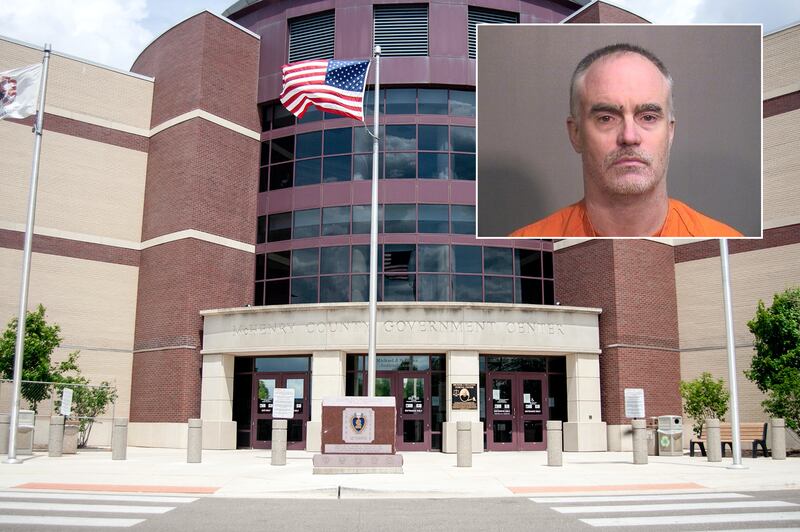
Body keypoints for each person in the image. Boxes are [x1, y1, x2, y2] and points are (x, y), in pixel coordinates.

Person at [510, 43, 742, 238]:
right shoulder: (526, 238)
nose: (629, 137)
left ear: (670, 132)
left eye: (648, 117)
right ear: (576, 133)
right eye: (606, 118)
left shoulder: (723, 236)